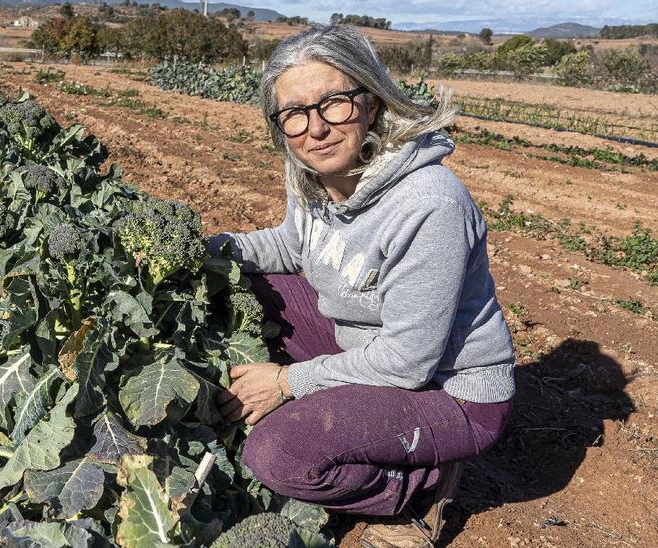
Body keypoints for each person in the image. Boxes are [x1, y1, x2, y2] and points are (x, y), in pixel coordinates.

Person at [210, 24, 516, 548]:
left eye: (334, 103)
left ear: (371, 104)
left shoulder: (429, 203)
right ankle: (359, 423)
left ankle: (416, 485)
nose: (316, 128)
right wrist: (208, 249)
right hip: (369, 351)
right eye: (295, 113)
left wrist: (286, 382)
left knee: (277, 456)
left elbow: (408, 362)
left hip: (449, 393)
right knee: (248, 286)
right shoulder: (312, 175)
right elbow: (290, 247)